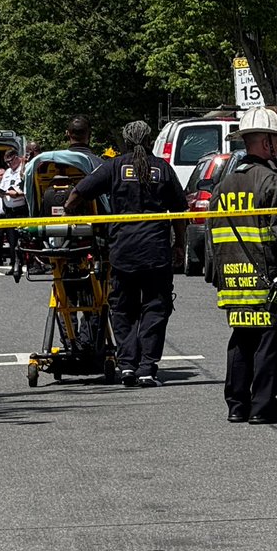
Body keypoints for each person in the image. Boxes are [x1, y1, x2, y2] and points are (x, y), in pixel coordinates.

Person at [208, 107, 277, 424]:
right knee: (270, 342)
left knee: (242, 339)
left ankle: (237, 405)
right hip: (270, 281)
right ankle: (263, 406)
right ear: (266, 143)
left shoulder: (222, 187)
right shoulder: (274, 184)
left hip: (234, 281)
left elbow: (213, 240)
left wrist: (217, 277)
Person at [65, 121, 186, 387]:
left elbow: (78, 194)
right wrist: (180, 245)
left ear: (126, 142)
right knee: (155, 308)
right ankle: (146, 368)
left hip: (123, 250)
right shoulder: (163, 169)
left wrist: (72, 216)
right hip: (156, 250)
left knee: (123, 309)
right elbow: (180, 211)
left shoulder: (114, 166)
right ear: (151, 140)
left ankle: (128, 366)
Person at [0, 149, 28, 274]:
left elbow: (28, 189)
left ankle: (28, 263)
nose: (8, 165)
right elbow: (4, 187)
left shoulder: (24, 169)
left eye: (10, 161)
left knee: (25, 238)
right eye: (6, 162)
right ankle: (15, 264)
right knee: (12, 240)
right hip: (10, 210)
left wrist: (16, 194)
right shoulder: (7, 172)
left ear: (17, 158)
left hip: (21, 209)